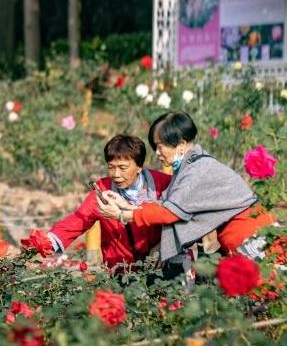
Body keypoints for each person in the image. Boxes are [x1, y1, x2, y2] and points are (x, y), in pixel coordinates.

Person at [96, 111, 275, 278]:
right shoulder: (189, 166)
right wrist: (127, 205)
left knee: (267, 295)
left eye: (160, 146)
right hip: (241, 237)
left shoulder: (198, 170)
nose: (157, 153)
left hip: (253, 237)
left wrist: (121, 215)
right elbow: (167, 205)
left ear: (181, 144)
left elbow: (170, 213)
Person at [46, 135, 171, 273]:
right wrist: (48, 242)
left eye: (122, 168)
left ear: (139, 167)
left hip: (162, 266)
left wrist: (165, 244)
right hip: (122, 271)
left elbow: (181, 217)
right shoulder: (103, 190)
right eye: (111, 167)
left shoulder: (163, 184)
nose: (116, 174)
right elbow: (79, 218)